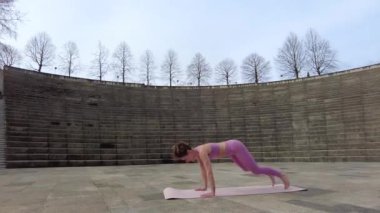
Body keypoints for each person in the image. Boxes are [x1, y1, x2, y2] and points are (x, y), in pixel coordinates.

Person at [172, 139, 290, 198]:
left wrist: (212, 192)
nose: (186, 161)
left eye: (185, 158)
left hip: (235, 147)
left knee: (255, 170)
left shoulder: (201, 152)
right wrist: (204, 187)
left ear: (189, 151)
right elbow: (203, 171)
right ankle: (269, 173)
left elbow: (209, 172)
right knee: (246, 169)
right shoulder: (197, 153)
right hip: (231, 152)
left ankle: (281, 174)